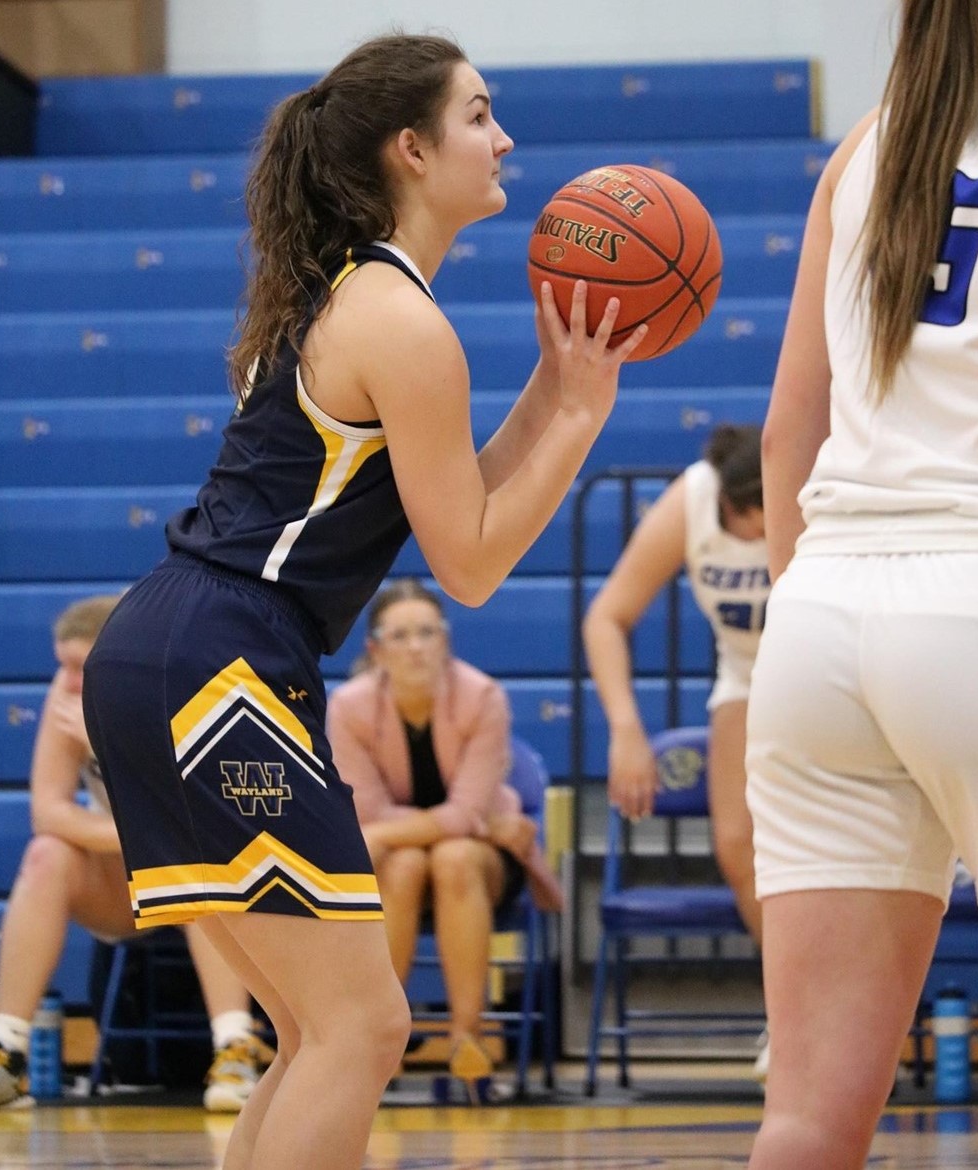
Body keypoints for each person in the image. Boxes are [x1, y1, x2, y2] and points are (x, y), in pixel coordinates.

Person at [81, 33, 645, 1170]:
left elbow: (463, 498)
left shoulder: (354, 297)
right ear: (411, 148)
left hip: (179, 645)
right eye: (480, 115)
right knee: (364, 1023)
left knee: (314, 1030)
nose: (505, 140)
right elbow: (472, 564)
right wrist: (579, 420)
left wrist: (555, 390)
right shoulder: (402, 321)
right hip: (218, 655)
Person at [743, 2, 978, 1165]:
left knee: (806, 1119)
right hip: (973, 592)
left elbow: (787, 432)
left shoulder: (869, 144)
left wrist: (811, 612)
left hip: (821, 617)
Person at [0, 595, 272, 1112]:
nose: (69, 681)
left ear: (121, 655)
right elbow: (49, 813)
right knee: (47, 855)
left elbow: (200, 822)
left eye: (80, 666)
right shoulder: (67, 695)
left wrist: (105, 744)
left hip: (221, 880)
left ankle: (236, 1049)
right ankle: (5, 1051)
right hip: (131, 878)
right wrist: (144, 835)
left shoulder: (182, 688)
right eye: (63, 664)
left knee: (195, 865)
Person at [581, 423, 770, 1073]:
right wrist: (626, 729)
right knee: (736, 845)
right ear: (731, 503)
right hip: (747, 676)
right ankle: (799, 1017)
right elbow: (607, 615)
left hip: (829, 673)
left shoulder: (809, 486)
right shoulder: (693, 497)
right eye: (753, 522)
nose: (760, 537)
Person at [326, 579, 562, 1096]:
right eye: (401, 635)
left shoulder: (484, 697)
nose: (416, 646)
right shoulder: (348, 707)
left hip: (484, 857)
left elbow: (461, 816)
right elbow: (364, 808)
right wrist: (411, 831)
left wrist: (400, 831)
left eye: (428, 632)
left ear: (446, 640)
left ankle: (467, 1039)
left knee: (452, 856)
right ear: (375, 649)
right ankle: (377, 1043)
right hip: (399, 862)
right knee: (408, 863)